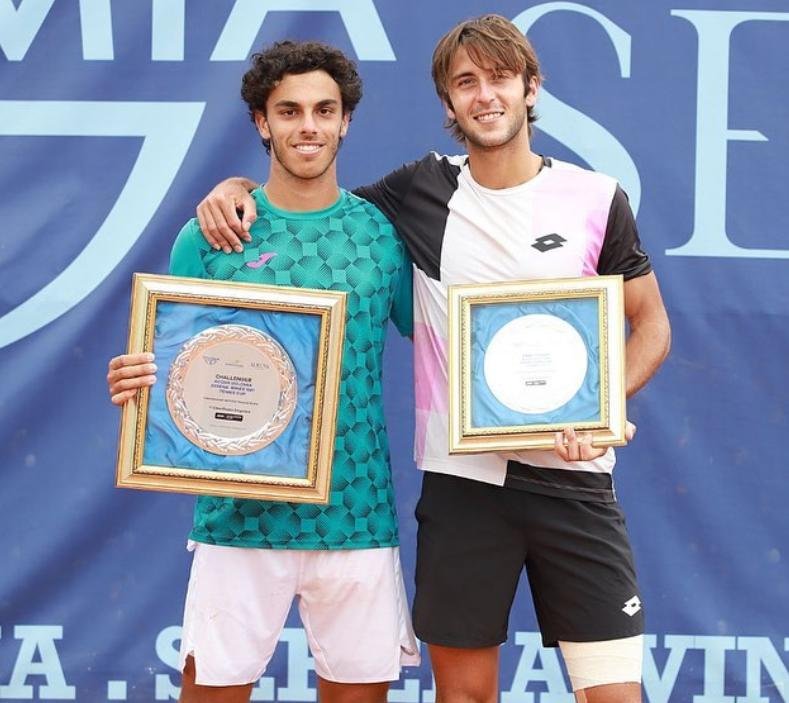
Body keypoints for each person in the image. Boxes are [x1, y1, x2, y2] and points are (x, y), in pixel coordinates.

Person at [191, 14, 671, 703]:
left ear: (531, 88)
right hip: (463, 486)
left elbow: (649, 321)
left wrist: (605, 406)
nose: (485, 95)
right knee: (465, 696)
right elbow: (310, 205)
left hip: (577, 480)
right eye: (465, 82)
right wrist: (235, 185)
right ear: (447, 104)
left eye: (500, 77)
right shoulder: (416, 192)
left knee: (614, 696)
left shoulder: (596, 197)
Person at [107, 41, 418, 703]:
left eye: (324, 110)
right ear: (260, 121)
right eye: (289, 110)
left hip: (357, 516)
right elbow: (170, 369)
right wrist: (136, 381)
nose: (308, 125)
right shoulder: (212, 234)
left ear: (345, 122)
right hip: (238, 516)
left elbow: (445, 344)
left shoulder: (382, 235)